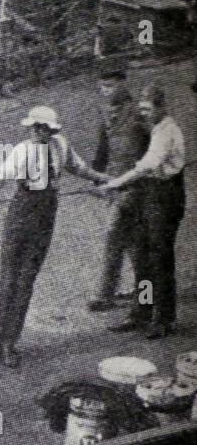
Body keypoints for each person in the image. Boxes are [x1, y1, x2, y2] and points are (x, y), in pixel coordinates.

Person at [0, 106, 106, 366]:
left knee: (26, 280)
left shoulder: (60, 145)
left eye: (41, 128)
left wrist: (103, 178)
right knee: (9, 278)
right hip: (22, 211)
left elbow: (78, 168)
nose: (36, 132)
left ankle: (10, 342)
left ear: (50, 129)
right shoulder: (22, 151)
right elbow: (2, 177)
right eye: (33, 127)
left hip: (46, 213)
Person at [99, 84, 186, 339]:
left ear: (162, 107)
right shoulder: (156, 128)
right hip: (151, 194)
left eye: (148, 109)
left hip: (166, 195)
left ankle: (164, 318)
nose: (144, 113)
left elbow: (149, 164)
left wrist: (116, 182)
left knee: (160, 259)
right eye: (142, 109)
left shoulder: (166, 131)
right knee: (144, 257)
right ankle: (142, 312)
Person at [87, 69, 151, 312]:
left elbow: (154, 145)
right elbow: (102, 150)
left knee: (114, 235)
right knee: (134, 242)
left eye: (112, 86)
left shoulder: (139, 112)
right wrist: (96, 178)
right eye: (103, 86)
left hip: (136, 184)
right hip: (114, 184)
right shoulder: (105, 113)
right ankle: (143, 290)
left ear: (124, 85)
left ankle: (105, 294)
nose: (107, 91)